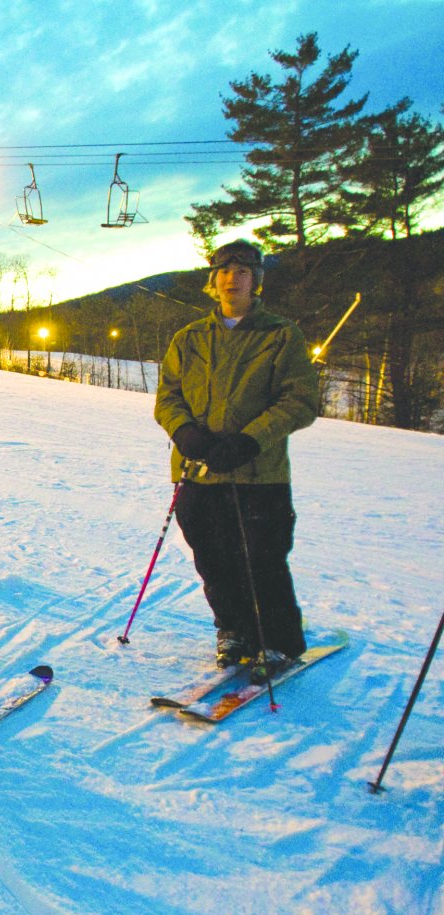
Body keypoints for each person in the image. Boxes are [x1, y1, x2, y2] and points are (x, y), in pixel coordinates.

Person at [155, 239, 318, 672]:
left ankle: (279, 640)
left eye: (243, 271)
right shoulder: (188, 338)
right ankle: (234, 629)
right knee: (212, 558)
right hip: (198, 471)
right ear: (214, 280)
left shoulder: (281, 335)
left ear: (256, 281)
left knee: (263, 559)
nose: (233, 278)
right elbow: (168, 397)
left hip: (259, 474)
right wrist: (186, 433)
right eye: (225, 271)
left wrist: (249, 440)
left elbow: (299, 401)